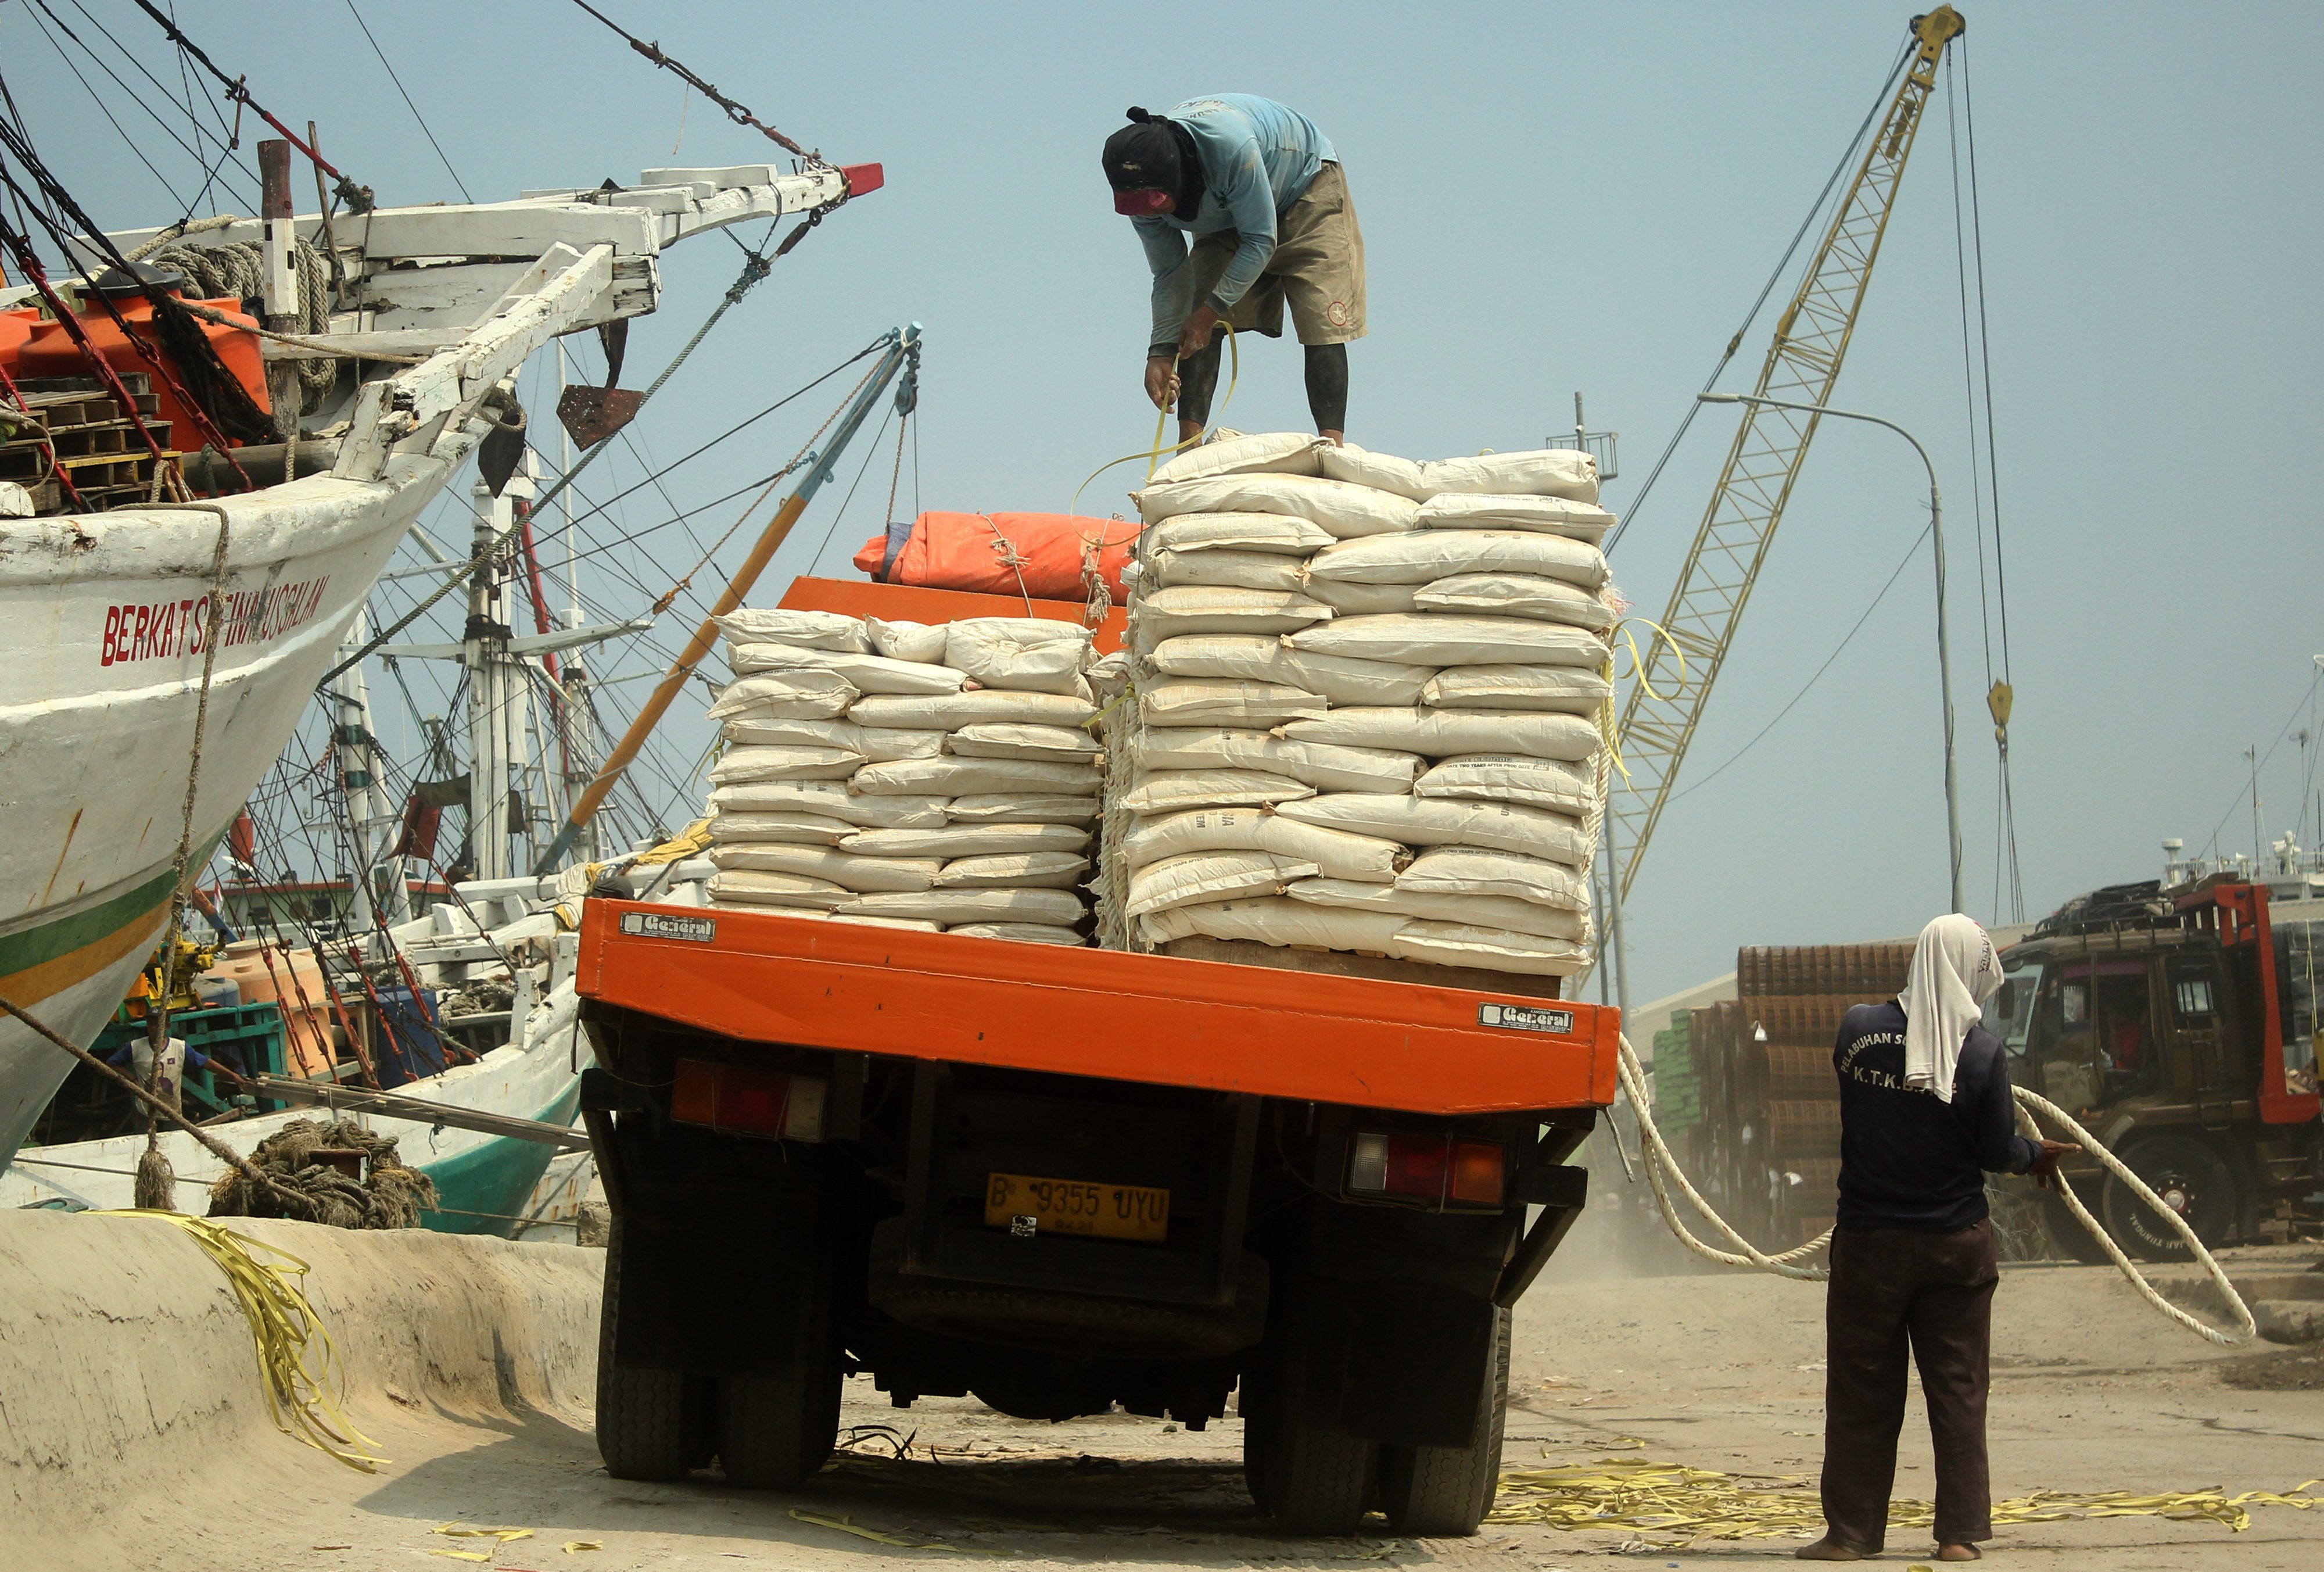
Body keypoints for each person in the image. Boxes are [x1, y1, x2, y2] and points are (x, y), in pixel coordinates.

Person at [1799, 914, 2074, 1564]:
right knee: (1957, 1388)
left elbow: (1869, 1098)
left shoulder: (1857, 1029)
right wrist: (2036, 1153)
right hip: (1954, 1243)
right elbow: (1995, 1149)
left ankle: (1851, 1534)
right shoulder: (1980, 1052)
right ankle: (1958, 1535)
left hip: (1870, 1244)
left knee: (1861, 1389)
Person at [1100, 96, 1364, 447]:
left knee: (1322, 320)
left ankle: (1333, 448)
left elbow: (1260, 239)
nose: (1148, 214)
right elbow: (1169, 273)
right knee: (1195, 309)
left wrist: (1211, 313)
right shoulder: (1141, 196)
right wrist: (1160, 351)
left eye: (1155, 205)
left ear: (1176, 176)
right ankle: (1188, 448)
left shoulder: (1230, 151)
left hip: (1304, 185)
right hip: (1226, 209)